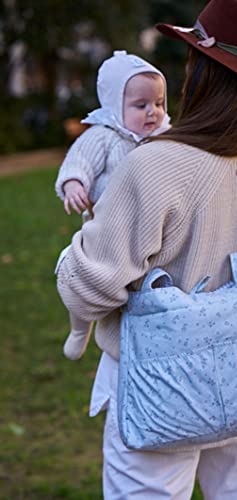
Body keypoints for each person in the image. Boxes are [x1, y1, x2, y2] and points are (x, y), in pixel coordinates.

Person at [56, 0, 237, 497]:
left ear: (203, 72)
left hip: (159, 387)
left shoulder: (154, 166)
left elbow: (88, 291)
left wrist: (74, 251)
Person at [55, 50, 170, 360]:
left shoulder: (164, 137)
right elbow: (77, 163)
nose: (153, 113)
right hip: (104, 226)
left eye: (159, 104)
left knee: (136, 287)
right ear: (114, 104)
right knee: (86, 279)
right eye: (140, 105)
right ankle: (80, 327)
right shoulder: (102, 137)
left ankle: (139, 335)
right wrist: (74, 184)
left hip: (148, 227)